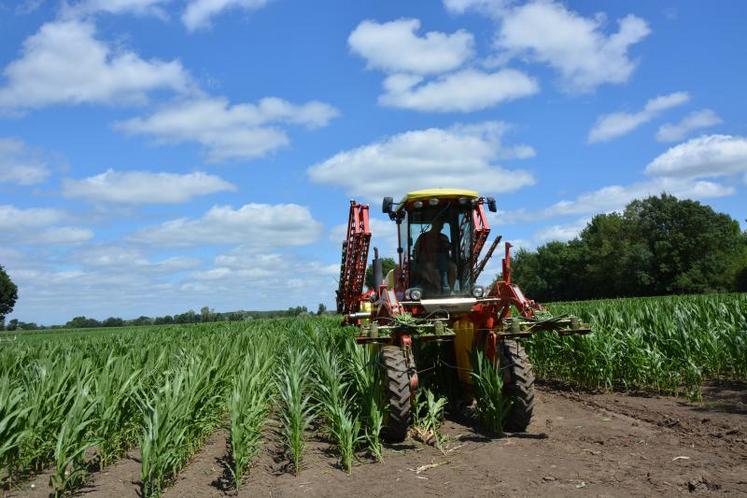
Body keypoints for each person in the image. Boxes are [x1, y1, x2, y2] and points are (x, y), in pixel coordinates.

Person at [413, 217, 457, 293]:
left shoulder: (444, 237)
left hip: (443, 262)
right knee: (430, 267)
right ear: (434, 224)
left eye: (442, 225)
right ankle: (439, 290)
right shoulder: (423, 237)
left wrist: (448, 246)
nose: (442, 227)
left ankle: (451, 290)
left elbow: (450, 249)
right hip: (425, 263)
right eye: (440, 224)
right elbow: (415, 252)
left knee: (453, 267)